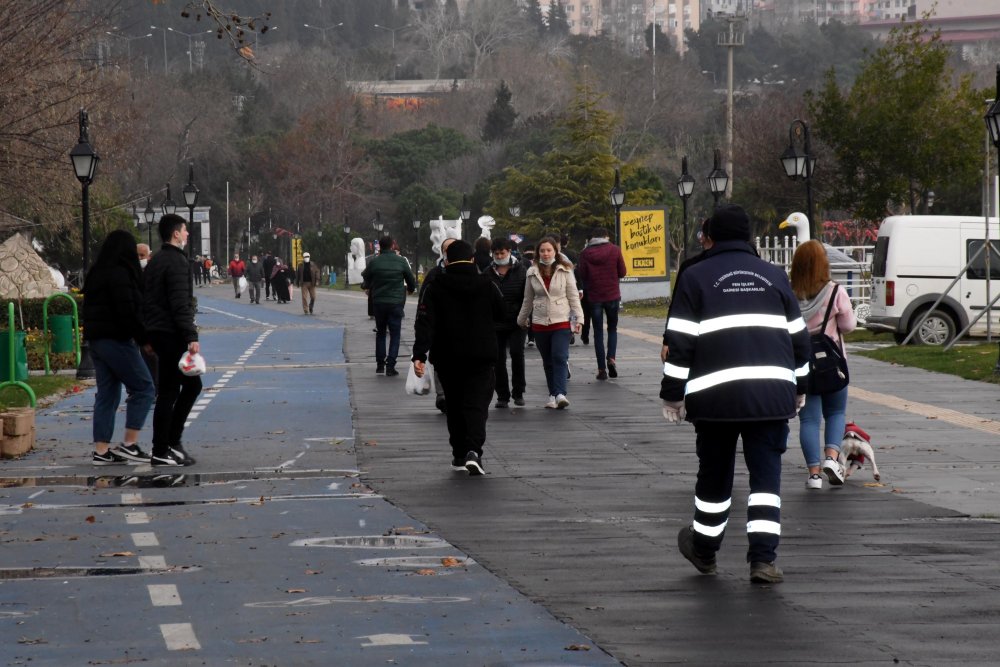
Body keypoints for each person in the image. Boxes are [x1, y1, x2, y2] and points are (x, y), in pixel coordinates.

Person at [661, 205, 810, 584]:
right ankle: (762, 561)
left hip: (715, 400)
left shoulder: (695, 277)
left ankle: (705, 551)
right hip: (771, 397)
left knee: (714, 479)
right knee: (765, 483)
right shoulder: (775, 276)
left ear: (710, 235)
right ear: (748, 236)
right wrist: (800, 388)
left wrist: (672, 395)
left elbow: (679, 343)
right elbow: (800, 341)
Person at [412, 240, 505, 475]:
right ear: (473, 259)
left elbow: (425, 322)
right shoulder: (487, 284)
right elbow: (502, 312)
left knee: (454, 405)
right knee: (476, 405)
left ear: (446, 260)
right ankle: (474, 450)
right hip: (481, 354)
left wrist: (419, 355)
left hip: (447, 355)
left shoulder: (435, 286)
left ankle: (458, 454)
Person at [82, 230, 156, 466]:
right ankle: (130, 444)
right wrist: (144, 339)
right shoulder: (121, 275)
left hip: (96, 341)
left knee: (107, 394)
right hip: (117, 339)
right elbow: (128, 312)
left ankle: (101, 451)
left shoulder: (97, 272)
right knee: (144, 388)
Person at [790, 239, 858, 489]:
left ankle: (814, 474)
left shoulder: (789, 293)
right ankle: (831, 458)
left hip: (801, 364)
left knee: (809, 420)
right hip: (832, 363)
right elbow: (849, 326)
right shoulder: (835, 291)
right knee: (836, 412)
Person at [143, 213, 202, 467]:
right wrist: (191, 335)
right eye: (185, 230)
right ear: (175, 233)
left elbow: (145, 300)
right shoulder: (177, 262)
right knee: (171, 391)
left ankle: (170, 443)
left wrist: (146, 334)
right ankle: (163, 447)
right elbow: (180, 303)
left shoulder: (156, 260)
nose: (188, 234)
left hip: (158, 333)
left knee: (185, 387)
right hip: (171, 334)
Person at [516, 236, 583, 409]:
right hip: (540, 323)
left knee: (559, 356)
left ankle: (561, 393)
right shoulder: (531, 272)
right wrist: (522, 319)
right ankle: (552, 394)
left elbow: (573, 297)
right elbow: (527, 299)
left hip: (561, 320)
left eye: (549, 250)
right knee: (548, 361)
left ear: (555, 252)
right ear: (538, 253)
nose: (546, 254)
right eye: (542, 250)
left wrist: (579, 319)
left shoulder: (566, 270)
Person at [361, 235, 416, 377]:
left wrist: (367, 286)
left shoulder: (375, 262)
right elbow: (411, 280)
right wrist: (410, 289)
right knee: (395, 334)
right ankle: (390, 365)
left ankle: (380, 365)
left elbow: (366, 276)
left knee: (380, 333)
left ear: (380, 246)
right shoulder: (401, 261)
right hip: (396, 302)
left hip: (379, 302)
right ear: (392, 246)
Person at [577, 227, 626, 381]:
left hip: (595, 297)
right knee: (612, 329)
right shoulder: (615, 250)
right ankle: (611, 358)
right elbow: (622, 272)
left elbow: (582, 274)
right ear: (606, 236)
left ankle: (601, 369)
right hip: (612, 295)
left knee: (598, 332)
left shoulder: (585, 253)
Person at [487, 238, 528, 408]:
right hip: (495, 322)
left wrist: (525, 316)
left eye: (502, 253)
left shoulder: (521, 270)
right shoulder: (487, 272)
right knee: (498, 359)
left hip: (517, 320)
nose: (499, 256)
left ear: (509, 251)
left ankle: (518, 392)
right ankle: (502, 395)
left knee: (517, 354)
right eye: (496, 253)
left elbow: (527, 295)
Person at [419, 236, 456, 413]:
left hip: (461, 327)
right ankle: (442, 395)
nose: (449, 252)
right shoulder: (434, 274)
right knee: (440, 360)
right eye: (446, 249)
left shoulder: (471, 272)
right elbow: (423, 300)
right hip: (439, 327)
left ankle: (455, 394)